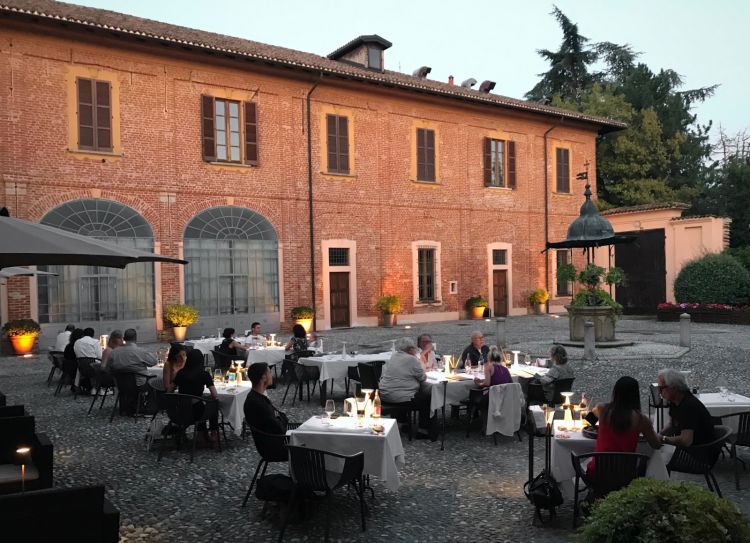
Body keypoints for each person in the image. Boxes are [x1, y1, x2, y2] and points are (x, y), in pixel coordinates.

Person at [588, 376, 661, 476]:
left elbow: (590, 417)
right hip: (624, 475)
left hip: (597, 473)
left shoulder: (602, 409)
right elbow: (656, 445)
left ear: (615, 392)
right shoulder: (642, 420)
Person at [379, 337, 436, 440]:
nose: (415, 350)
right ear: (410, 349)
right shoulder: (411, 359)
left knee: (404, 390)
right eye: (414, 348)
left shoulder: (394, 356)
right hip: (399, 397)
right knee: (428, 397)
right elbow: (422, 377)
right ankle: (423, 430)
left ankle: (403, 423)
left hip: (384, 394)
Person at [657, 368, 715, 447]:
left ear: (674, 387)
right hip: (692, 448)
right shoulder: (675, 401)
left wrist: (663, 438)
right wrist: (659, 435)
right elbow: (672, 425)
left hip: (701, 451)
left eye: (661, 389)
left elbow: (686, 441)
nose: (659, 392)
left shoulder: (688, 406)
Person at [173, 349, 219, 445]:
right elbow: (215, 395)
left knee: (199, 404)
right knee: (213, 405)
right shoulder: (204, 374)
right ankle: (213, 433)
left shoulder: (181, 373)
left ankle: (202, 434)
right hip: (196, 412)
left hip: (180, 410)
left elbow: (169, 390)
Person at [243, 362, 289, 437]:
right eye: (270, 373)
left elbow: (280, 415)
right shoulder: (258, 403)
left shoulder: (254, 396)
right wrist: (280, 418)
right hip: (277, 444)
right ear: (263, 377)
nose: (271, 375)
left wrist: (279, 417)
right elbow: (280, 429)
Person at [63, 328, 85, 393]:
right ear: (81, 336)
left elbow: (65, 356)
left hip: (67, 367)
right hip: (75, 368)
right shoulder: (79, 346)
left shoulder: (68, 346)